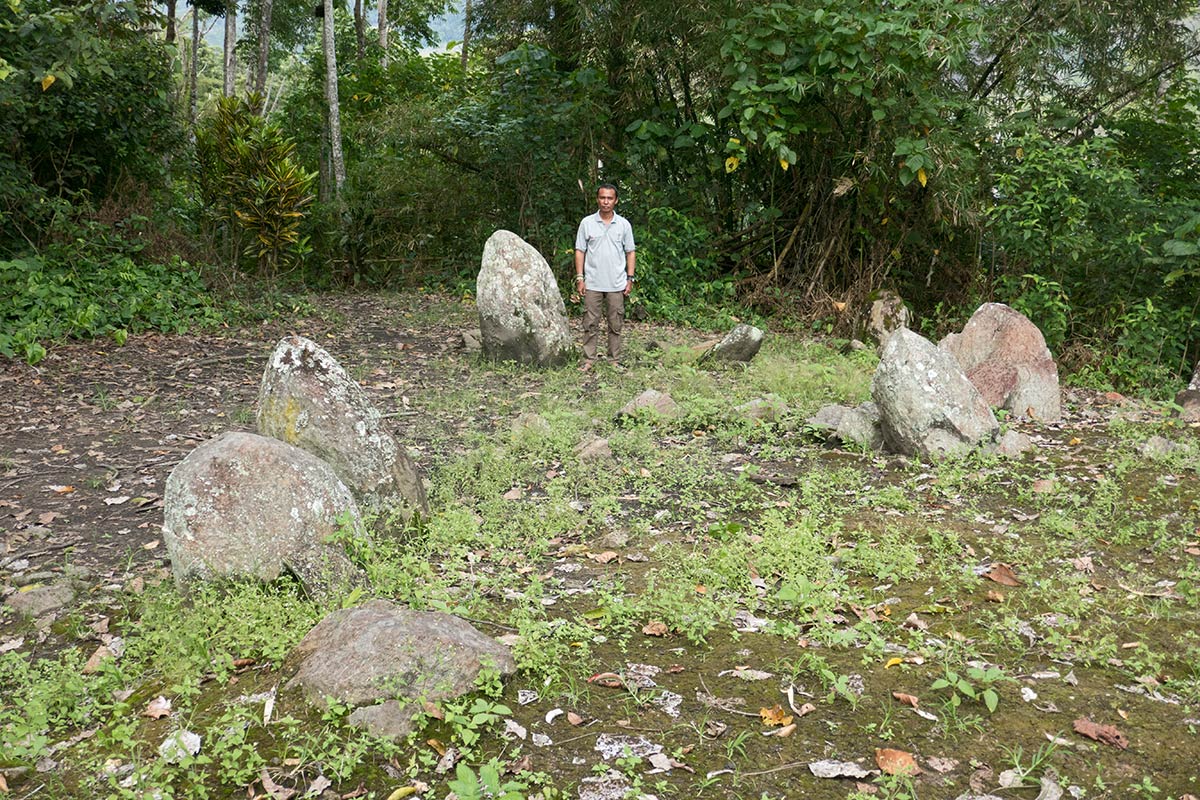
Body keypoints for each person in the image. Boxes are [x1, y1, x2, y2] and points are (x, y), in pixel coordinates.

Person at [574, 183, 636, 370]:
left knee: (615, 323)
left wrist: (630, 278)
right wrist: (580, 277)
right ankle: (588, 360)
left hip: (616, 283)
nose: (606, 202)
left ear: (616, 201)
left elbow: (630, 252)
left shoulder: (623, 224)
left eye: (610, 198)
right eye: (602, 198)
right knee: (590, 322)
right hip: (592, 282)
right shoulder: (587, 223)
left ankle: (614, 360)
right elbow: (580, 251)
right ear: (597, 199)